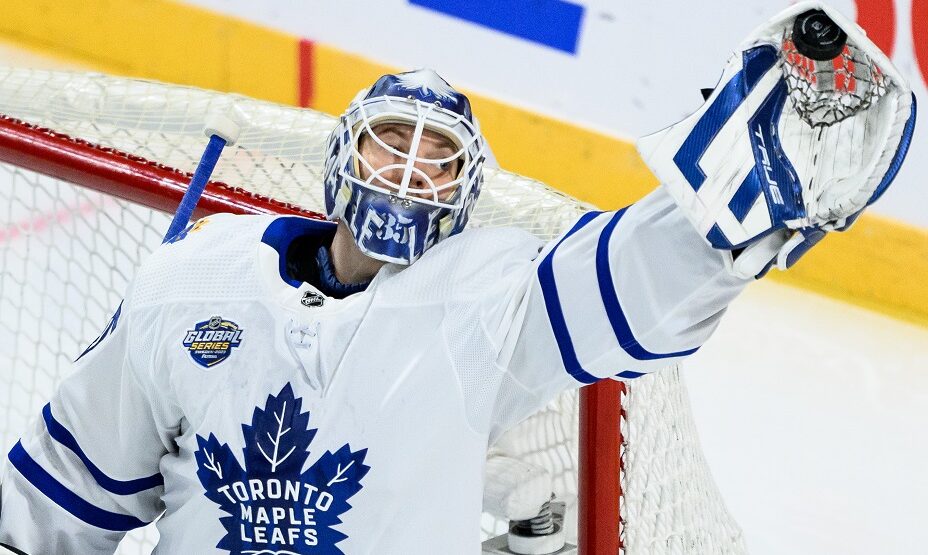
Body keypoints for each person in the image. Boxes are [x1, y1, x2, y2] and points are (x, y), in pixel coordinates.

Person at [0, 5, 915, 553]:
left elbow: (623, 284)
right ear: (341, 157)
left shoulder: (484, 304)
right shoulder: (194, 282)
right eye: (391, 140)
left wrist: (710, 229)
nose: (409, 168)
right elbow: (60, 498)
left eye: (437, 156)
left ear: (465, 190)